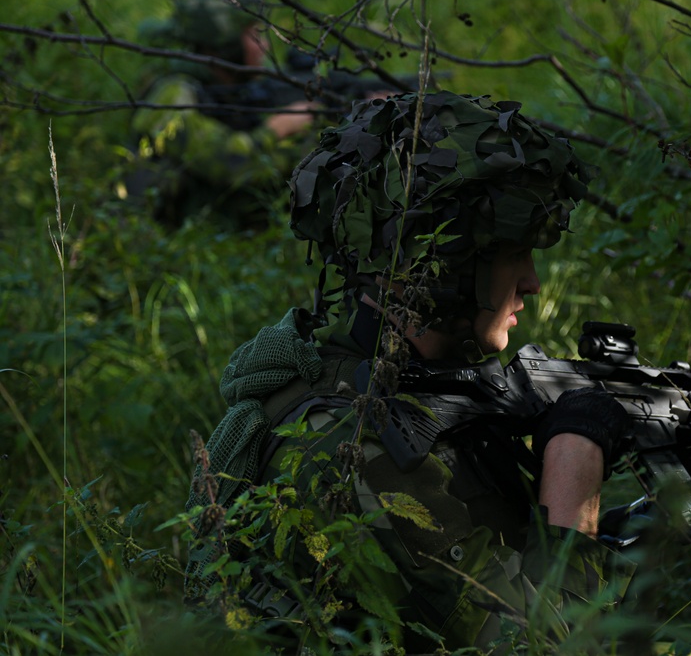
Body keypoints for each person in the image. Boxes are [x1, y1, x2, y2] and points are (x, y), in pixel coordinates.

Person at [184, 91, 637, 652]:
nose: (532, 281)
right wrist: (576, 460)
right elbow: (542, 645)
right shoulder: (357, 448)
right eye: (513, 253)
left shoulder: (377, 377)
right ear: (440, 264)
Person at [126, 0, 318, 231]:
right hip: (156, 242)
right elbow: (231, 164)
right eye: (253, 36)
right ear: (225, 45)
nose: (264, 46)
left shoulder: (235, 90)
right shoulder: (174, 94)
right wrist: (279, 128)